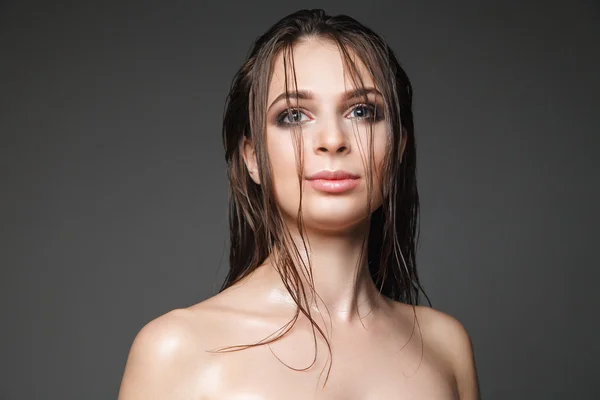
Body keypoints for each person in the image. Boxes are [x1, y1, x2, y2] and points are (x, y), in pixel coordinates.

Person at [118, 9, 480, 399]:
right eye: (293, 116)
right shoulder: (176, 350)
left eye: (362, 112)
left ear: (399, 147)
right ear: (252, 156)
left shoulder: (445, 346)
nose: (332, 139)